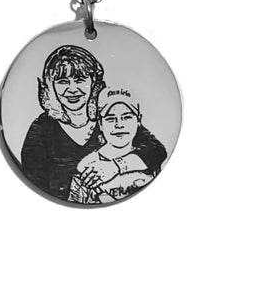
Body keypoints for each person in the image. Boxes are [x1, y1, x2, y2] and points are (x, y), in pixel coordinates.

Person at [21, 47, 166, 201]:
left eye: (80, 80)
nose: (72, 89)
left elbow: (157, 150)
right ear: (51, 86)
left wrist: (116, 166)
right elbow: (33, 185)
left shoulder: (109, 116)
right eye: (63, 82)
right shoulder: (42, 129)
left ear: (93, 82)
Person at [68, 88, 166, 204]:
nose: (119, 125)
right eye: (110, 119)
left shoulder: (151, 156)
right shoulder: (87, 166)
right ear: (100, 124)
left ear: (138, 120)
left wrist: (116, 166)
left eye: (127, 117)